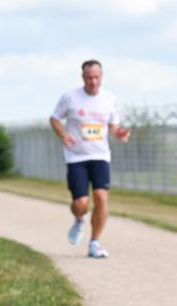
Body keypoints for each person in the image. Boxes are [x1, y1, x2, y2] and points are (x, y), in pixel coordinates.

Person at [49, 59, 131, 258]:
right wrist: (63, 134)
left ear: (101, 77)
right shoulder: (70, 97)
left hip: (100, 155)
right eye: (89, 78)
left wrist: (119, 133)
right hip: (76, 157)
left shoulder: (109, 98)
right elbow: (54, 119)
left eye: (96, 77)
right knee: (81, 204)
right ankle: (79, 220)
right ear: (82, 77)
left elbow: (113, 125)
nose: (93, 82)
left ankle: (95, 243)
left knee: (101, 198)